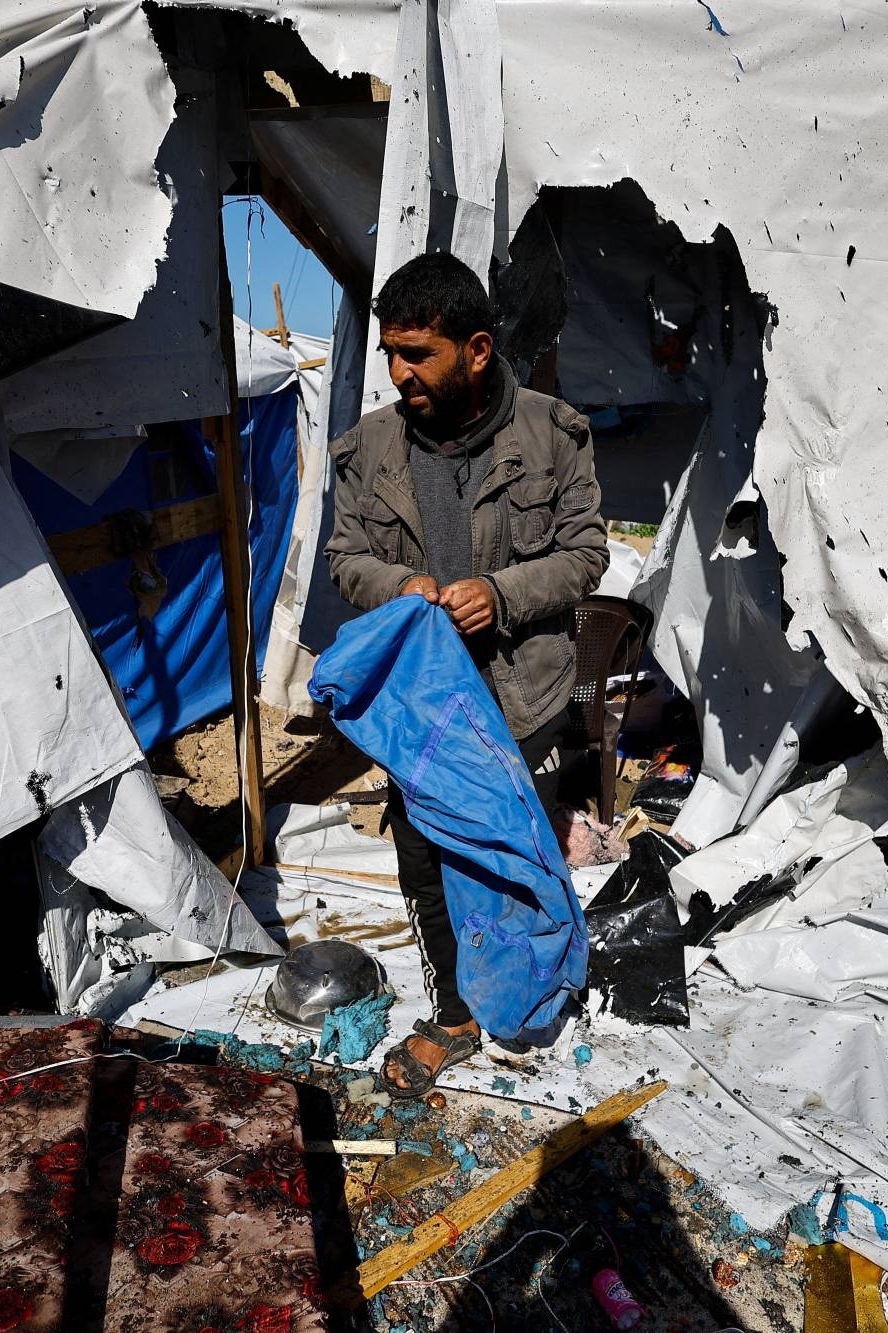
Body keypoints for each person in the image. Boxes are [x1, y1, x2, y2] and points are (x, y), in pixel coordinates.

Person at [324, 252, 607, 1098]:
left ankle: (525, 990)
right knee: (424, 858)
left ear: (477, 350)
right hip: (423, 710)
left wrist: (502, 594)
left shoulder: (554, 434)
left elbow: (586, 554)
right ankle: (454, 1014)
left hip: (521, 695)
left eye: (418, 354)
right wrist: (399, 586)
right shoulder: (370, 447)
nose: (398, 373)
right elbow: (345, 557)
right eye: (390, 354)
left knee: (512, 855)